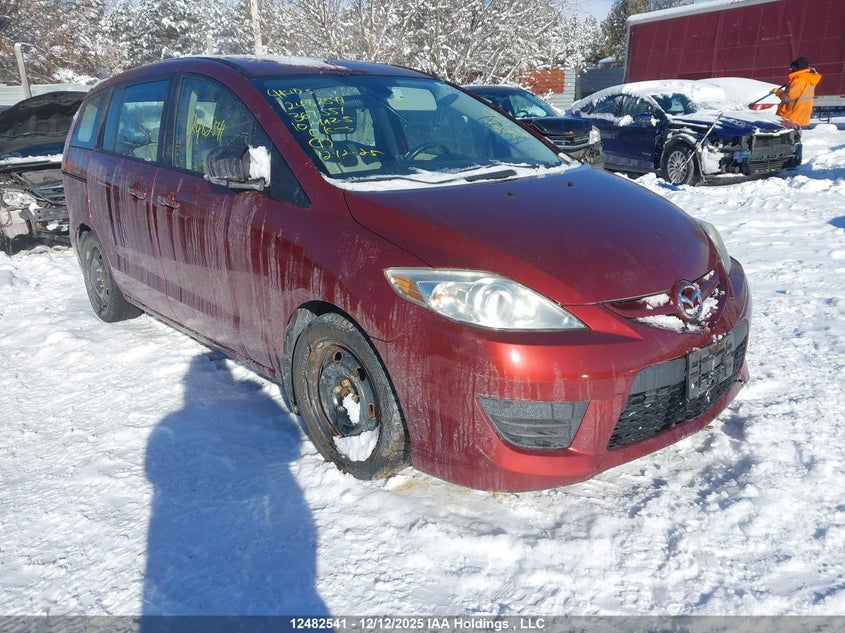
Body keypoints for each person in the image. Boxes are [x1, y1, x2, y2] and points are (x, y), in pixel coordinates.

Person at [772, 56, 822, 127]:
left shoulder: (800, 80)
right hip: (799, 116)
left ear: (797, 67)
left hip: (791, 117)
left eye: (792, 67)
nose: (791, 69)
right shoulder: (807, 78)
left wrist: (778, 92)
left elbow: (788, 98)